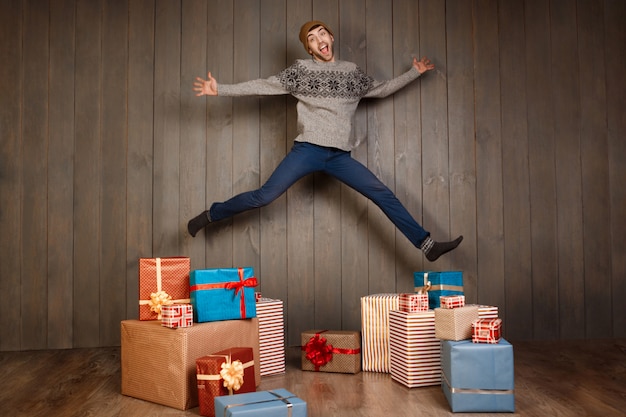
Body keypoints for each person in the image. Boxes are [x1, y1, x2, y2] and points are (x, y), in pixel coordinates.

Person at [188, 20, 462, 262]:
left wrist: (413, 72)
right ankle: (211, 215)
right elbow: (264, 84)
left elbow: (381, 90)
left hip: (339, 157)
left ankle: (427, 245)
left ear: (330, 38)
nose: (319, 41)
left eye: (322, 34)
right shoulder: (301, 71)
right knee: (264, 196)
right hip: (307, 150)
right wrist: (220, 88)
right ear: (310, 49)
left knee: (382, 194)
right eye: (312, 39)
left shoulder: (352, 73)